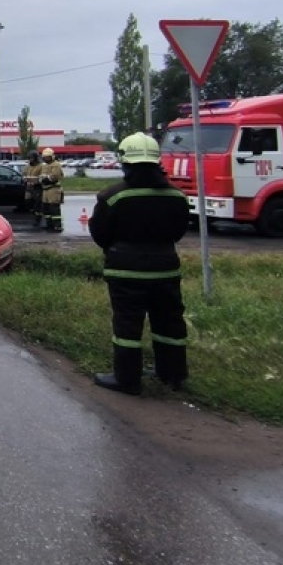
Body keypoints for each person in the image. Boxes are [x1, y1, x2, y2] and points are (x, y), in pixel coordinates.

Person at [88, 132, 191, 395]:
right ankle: (173, 374)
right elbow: (178, 232)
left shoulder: (113, 196)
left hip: (126, 270)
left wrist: (119, 249)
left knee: (127, 325)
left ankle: (127, 379)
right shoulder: (177, 196)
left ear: (125, 162)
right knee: (169, 322)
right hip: (166, 268)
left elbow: (99, 232)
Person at [38, 148, 64, 232]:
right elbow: (42, 175)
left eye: (48, 157)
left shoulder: (56, 164)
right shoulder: (44, 165)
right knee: (46, 208)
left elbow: (55, 176)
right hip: (45, 189)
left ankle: (57, 226)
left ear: (52, 157)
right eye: (45, 157)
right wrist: (41, 179)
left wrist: (47, 179)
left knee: (54, 208)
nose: (46, 159)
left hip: (53, 189)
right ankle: (49, 224)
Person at [22, 150, 43, 227]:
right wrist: (24, 178)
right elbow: (24, 174)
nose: (30, 159)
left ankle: (38, 219)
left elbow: (41, 176)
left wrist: (36, 180)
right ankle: (33, 212)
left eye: (31, 158)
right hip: (29, 187)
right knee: (27, 201)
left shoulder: (41, 166)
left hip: (37, 187)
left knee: (38, 204)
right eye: (29, 158)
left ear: (35, 158)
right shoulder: (28, 166)